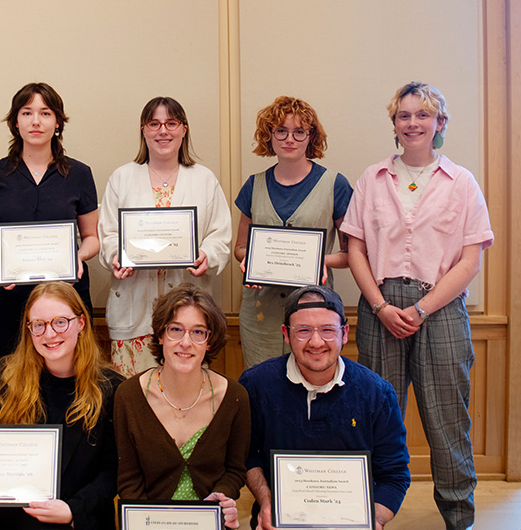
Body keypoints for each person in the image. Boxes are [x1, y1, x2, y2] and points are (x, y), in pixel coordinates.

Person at [341, 82, 493, 530]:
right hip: (379, 306)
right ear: (394, 124)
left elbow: (470, 261)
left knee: (447, 418)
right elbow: (356, 250)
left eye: (423, 115)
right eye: (404, 116)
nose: (413, 123)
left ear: (439, 123)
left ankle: (458, 517)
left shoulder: (461, 182)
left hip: (441, 310)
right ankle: (366, 515)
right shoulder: (372, 178)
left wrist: (422, 308)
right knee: (372, 416)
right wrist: (381, 305)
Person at [0, 282, 123, 530]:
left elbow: (112, 471)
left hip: (76, 518)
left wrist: (73, 510)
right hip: (15, 519)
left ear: (81, 323)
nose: (50, 334)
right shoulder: (8, 376)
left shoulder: (112, 388)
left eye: (60, 322)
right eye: (39, 325)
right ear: (29, 329)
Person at [239, 285, 410, 530]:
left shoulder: (376, 393)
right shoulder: (256, 384)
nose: (316, 342)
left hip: (352, 523)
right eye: (303, 331)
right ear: (286, 334)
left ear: (344, 333)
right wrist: (266, 502)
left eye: (328, 330)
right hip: (278, 521)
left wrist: (376, 518)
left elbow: (394, 474)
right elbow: (246, 455)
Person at [99, 97, 232, 376]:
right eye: (154, 123)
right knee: (134, 401)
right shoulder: (122, 178)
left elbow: (220, 236)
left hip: (189, 318)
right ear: (143, 130)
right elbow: (108, 232)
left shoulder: (204, 179)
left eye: (171, 123)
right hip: (133, 314)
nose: (163, 131)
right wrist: (115, 256)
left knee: (183, 398)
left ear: (184, 130)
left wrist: (208, 255)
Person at [0, 83, 99, 359]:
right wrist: (1, 261)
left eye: (45, 113)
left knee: (72, 374)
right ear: (15, 123)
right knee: (12, 375)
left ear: (57, 123)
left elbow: (92, 238)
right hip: (11, 294)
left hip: (68, 292)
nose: (35, 121)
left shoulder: (79, 174)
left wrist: (77, 257)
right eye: (26, 112)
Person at [114, 283, 248, 529]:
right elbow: (128, 481)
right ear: (161, 335)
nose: (186, 342)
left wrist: (221, 496)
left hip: (211, 522)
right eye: (176, 329)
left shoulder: (235, 396)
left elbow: (236, 471)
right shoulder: (128, 396)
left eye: (198, 332)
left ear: (209, 341)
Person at [233, 96, 352, 369]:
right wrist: (250, 261)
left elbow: (350, 254)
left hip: (313, 315)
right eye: (281, 131)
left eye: (299, 132)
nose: (290, 139)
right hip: (260, 314)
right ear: (269, 136)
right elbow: (240, 247)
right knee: (263, 391)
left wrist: (320, 261)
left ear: (311, 137)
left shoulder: (335, 185)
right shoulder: (254, 186)